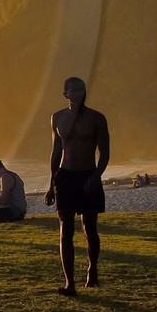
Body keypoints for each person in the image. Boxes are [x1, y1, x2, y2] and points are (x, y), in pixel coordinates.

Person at [45, 76, 109, 295]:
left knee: (90, 228)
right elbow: (55, 153)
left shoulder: (97, 118)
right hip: (65, 177)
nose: (80, 94)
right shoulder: (57, 118)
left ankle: (92, 269)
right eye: (75, 91)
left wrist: (96, 176)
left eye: (83, 91)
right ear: (66, 95)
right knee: (66, 230)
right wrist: (51, 183)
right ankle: (69, 283)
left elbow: (105, 153)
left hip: (88, 176)